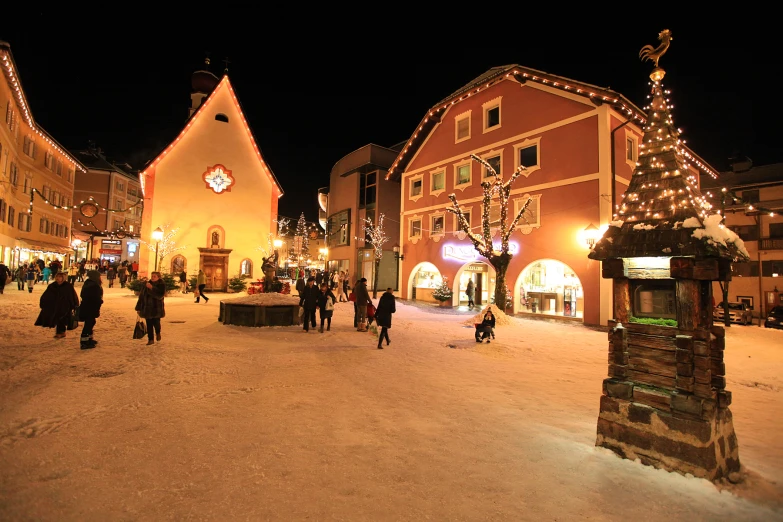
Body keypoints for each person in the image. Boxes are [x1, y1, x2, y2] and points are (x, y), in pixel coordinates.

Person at [34, 272, 79, 339]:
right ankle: (61, 332)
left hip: (65, 306)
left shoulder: (68, 286)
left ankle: (60, 332)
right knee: (57, 319)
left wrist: (75, 304)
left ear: (63, 278)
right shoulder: (52, 286)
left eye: (59, 277)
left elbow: (72, 295)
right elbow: (46, 295)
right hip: (54, 306)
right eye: (57, 277)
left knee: (62, 319)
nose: (57, 278)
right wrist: (43, 303)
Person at [135, 271, 166, 346]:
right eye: (152, 276)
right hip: (147, 308)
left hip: (156, 308)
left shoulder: (161, 285)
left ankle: (158, 333)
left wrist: (152, 288)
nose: (152, 278)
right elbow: (141, 297)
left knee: (156, 323)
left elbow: (160, 296)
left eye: (154, 276)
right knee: (149, 324)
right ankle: (150, 339)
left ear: (158, 277)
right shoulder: (147, 284)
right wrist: (138, 308)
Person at [79, 270, 103, 350]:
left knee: (91, 322)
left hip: (88, 306)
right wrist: (99, 301)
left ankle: (89, 339)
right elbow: (95, 297)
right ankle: (84, 342)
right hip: (90, 307)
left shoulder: (89, 283)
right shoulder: (93, 285)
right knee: (89, 323)